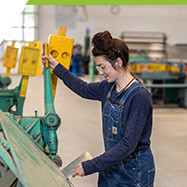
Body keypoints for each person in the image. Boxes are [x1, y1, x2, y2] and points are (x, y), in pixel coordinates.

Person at [41, 31, 155, 187]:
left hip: (134, 172)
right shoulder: (109, 87)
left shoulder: (139, 97)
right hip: (110, 165)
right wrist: (56, 67)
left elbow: (128, 144)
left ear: (118, 63)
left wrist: (90, 165)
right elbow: (83, 88)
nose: (100, 72)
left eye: (103, 67)